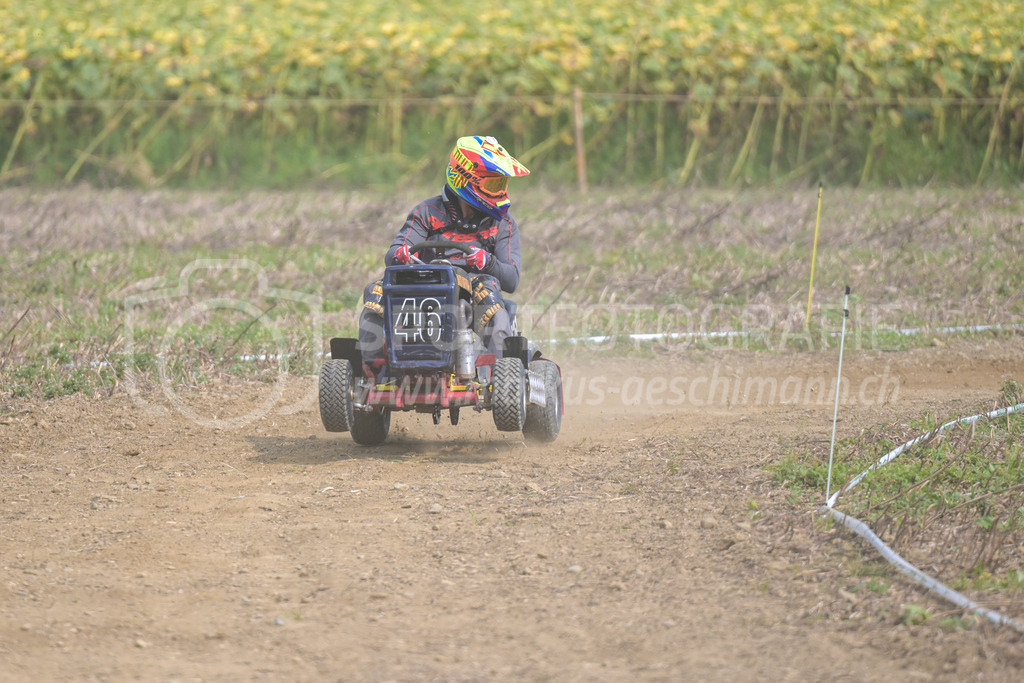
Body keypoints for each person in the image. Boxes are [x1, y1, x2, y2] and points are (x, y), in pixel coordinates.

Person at [359, 135, 530, 365]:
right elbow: (394, 254)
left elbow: (511, 280)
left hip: (471, 292)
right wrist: (401, 254)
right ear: (465, 178)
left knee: (489, 295)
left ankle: (497, 373)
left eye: (501, 185)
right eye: (492, 184)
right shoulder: (427, 212)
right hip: (424, 285)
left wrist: (487, 262)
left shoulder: (502, 224)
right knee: (377, 292)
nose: (499, 192)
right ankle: (372, 370)